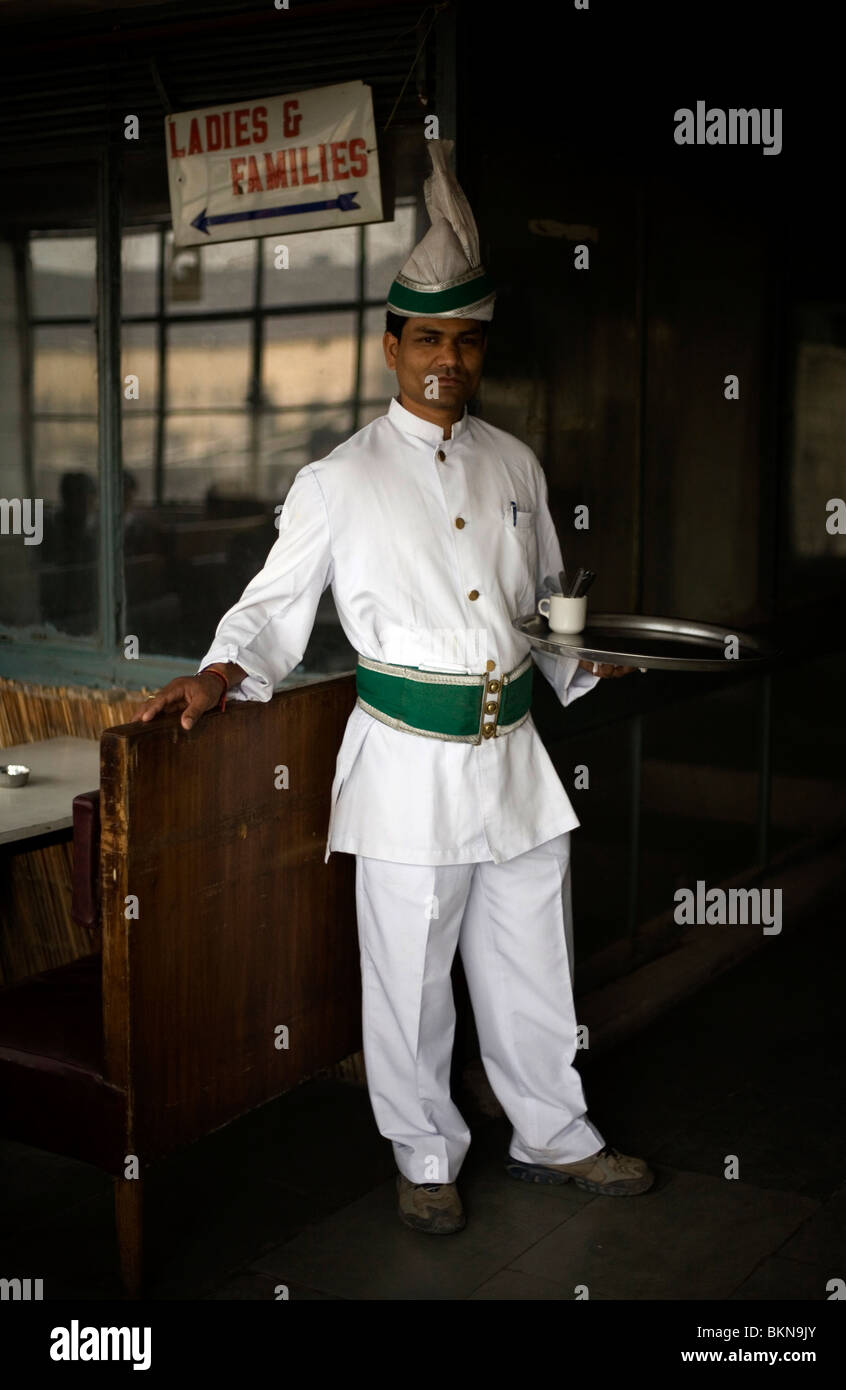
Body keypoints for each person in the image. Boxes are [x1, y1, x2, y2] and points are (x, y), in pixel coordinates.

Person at [133, 140, 653, 1235]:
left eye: (465, 342)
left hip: (513, 758)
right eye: (427, 338)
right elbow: (274, 603)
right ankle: (424, 1155)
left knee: (530, 964)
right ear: (389, 345)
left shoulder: (515, 465)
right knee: (410, 980)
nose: (446, 360)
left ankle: (554, 1135)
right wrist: (226, 670)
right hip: (406, 767)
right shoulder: (336, 478)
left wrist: (574, 653)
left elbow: (544, 596)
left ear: (478, 350)